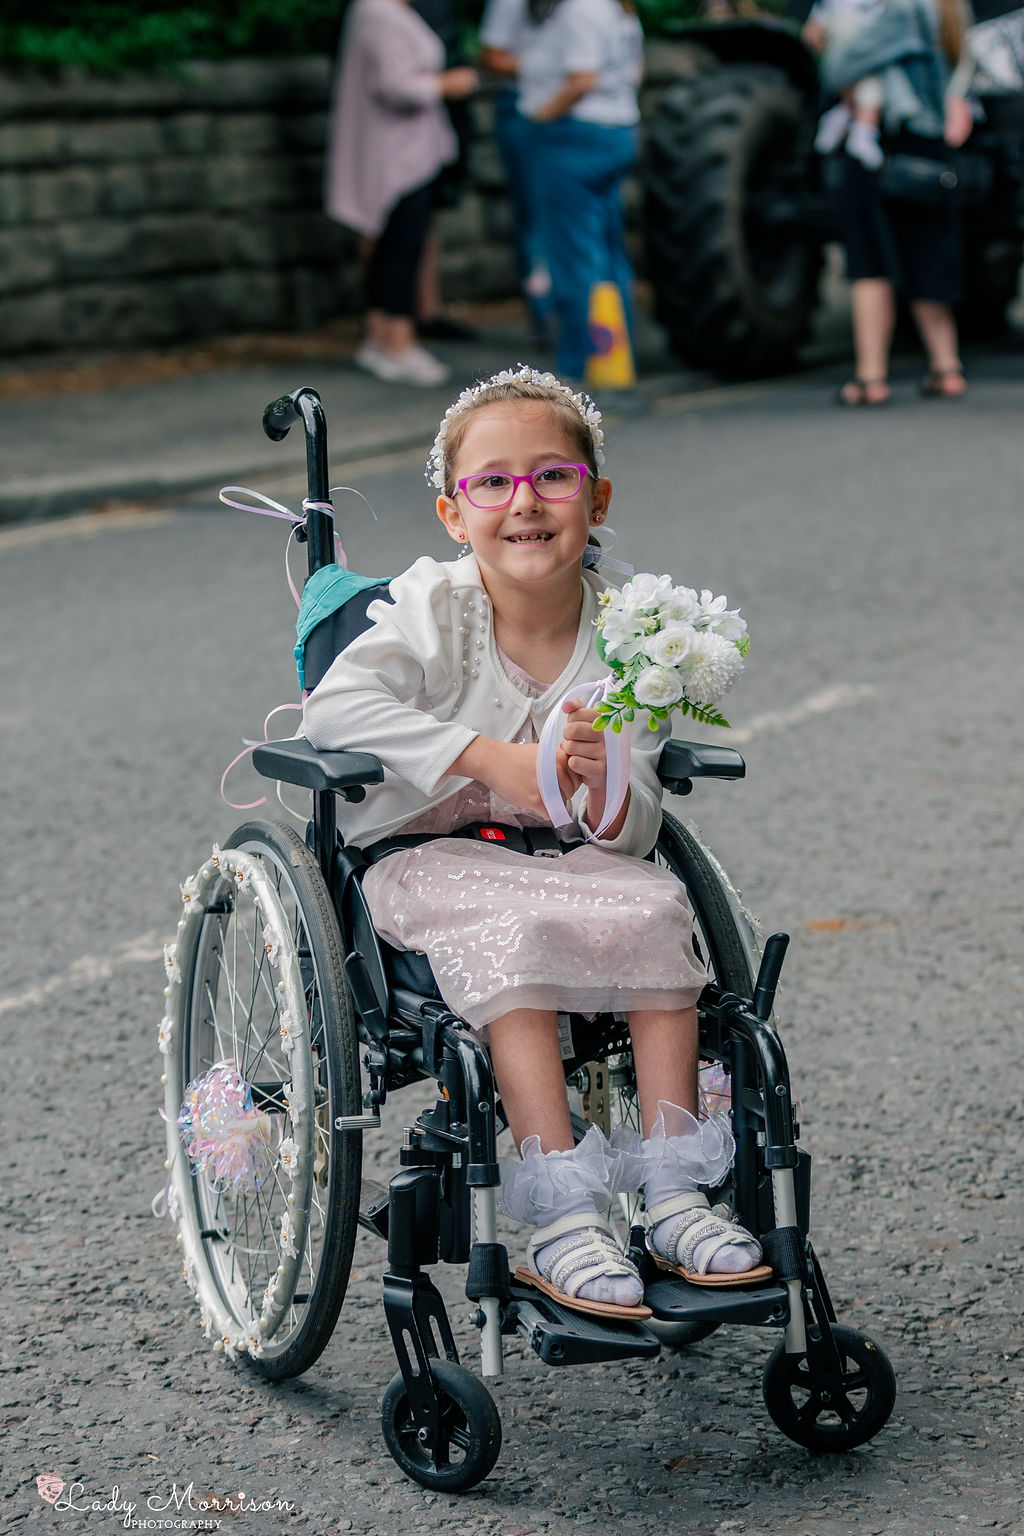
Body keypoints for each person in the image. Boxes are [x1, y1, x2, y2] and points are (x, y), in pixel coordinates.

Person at [303, 366, 769, 1318]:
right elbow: (335, 709)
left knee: (656, 904)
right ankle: (563, 1214)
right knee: (512, 932)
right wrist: (487, 759)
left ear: (597, 501)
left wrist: (605, 786)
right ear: (453, 513)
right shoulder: (435, 609)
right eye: (493, 483)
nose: (525, 501)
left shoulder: (631, 630)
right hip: (427, 854)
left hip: (571, 855)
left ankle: (675, 1198)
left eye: (553, 476)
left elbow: (635, 827)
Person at [808, 0, 972, 404]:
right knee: (928, 251)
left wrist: (825, 43)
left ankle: (871, 377)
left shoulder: (901, 10)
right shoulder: (944, 9)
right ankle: (946, 367)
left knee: (870, 258)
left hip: (885, 149)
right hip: (929, 146)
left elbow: (838, 69)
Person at [324, 0, 477, 386]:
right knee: (401, 249)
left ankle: (381, 339)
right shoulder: (379, 13)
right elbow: (394, 86)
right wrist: (447, 84)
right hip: (401, 160)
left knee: (393, 248)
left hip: (406, 154)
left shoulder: (380, 11)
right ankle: (397, 342)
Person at [516, 0, 644, 380]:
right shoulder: (618, 9)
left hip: (575, 137)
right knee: (606, 253)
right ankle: (614, 357)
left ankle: (581, 365)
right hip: (615, 131)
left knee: (572, 258)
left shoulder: (580, 9)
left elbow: (582, 79)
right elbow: (636, 71)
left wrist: (542, 115)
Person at [480, 0, 555, 346]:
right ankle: (545, 317)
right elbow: (491, 55)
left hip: (574, 110)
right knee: (536, 217)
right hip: (525, 108)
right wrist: (550, 70)